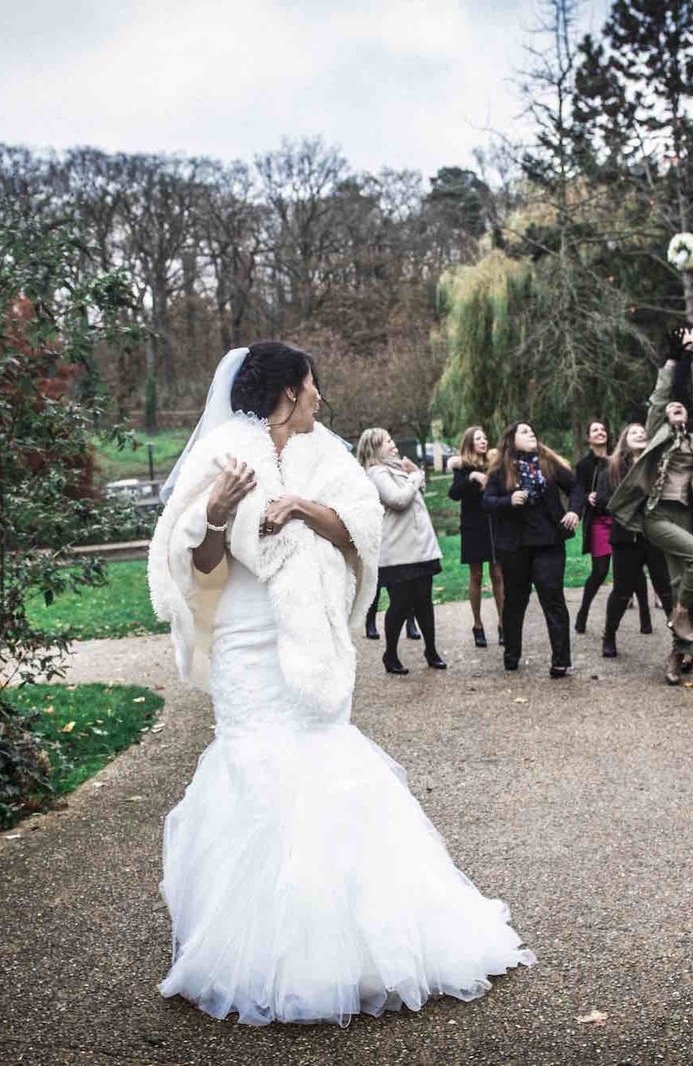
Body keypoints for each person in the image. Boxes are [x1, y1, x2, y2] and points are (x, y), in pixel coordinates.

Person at [150, 342, 532, 1026]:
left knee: (324, 760)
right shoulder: (221, 454)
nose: (321, 398)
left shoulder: (328, 457)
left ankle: (351, 951)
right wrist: (216, 511)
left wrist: (299, 506)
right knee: (254, 770)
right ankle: (259, 950)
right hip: (245, 639)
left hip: (309, 642)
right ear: (291, 390)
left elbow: (361, 531)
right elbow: (200, 565)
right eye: (314, 385)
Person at [607, 324, 693, 684]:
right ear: (666, 416)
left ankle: (679, 654)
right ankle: (681, 617)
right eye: (674, 407)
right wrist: (673, 359)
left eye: (683, 407)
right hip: (658, 515)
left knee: (688, 581)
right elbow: (660, 395)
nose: (678, 407)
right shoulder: (658, 432)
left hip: (686, 516)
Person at [482, 422, 580, 677]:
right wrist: (508, 500)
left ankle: (561, 660)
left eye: (533, 431)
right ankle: (511, 654)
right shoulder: (501, 469)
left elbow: (575, 488)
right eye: (524, 432)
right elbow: (487, 501)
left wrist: (574, 510)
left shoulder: (548, 463)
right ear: (511, 440)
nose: (531, 434)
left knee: (552, 596)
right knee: (515, 601)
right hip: (514, 546)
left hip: (548, 541)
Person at [358, 427, 446, 675]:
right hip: (398, 551)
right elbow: (397, 500)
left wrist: (415, 476)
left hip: (420, 547)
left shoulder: (398, 469)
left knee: (424, 602)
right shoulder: (376, 473)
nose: (393, 444)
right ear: (374, 448)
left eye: (392, 439)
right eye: (387, 442)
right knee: (400, 603)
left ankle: (431, 650)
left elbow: (418, 494)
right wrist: (415, 477)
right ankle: (391, 655)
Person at [594, 422, 657, 658]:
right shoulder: (611, 469)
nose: (640, 433)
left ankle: (680, 643)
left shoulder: (656, 464)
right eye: (634, 431)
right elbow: (603, 501)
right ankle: (609, 635)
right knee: (621, 591)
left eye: (643, 431)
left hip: (655, 535)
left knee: (665, 588)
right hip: (625, 537)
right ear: (624, 440)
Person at [447, 426, 503, 648]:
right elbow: (453, 494)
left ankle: (502, 624)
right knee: (477, 575)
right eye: (478, 438)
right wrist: (471, 477)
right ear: (469, 443)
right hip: (473, 527)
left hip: (494, 524)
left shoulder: (495, 464)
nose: (483, 441)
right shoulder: (463, 467)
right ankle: (478, 625)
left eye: (485, 437)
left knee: (498, 573)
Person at [571, 419, 613, 634]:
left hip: (622, 520)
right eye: (595, 430)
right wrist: (588, 497)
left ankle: (645, 620)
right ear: (588, 438)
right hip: (599, 521)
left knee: (633, 571)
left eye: (603, 429)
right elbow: (578, 491)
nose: (600, 432)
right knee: (600, 571)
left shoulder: (618, 458)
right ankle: (583, 611)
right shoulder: (583, 466)